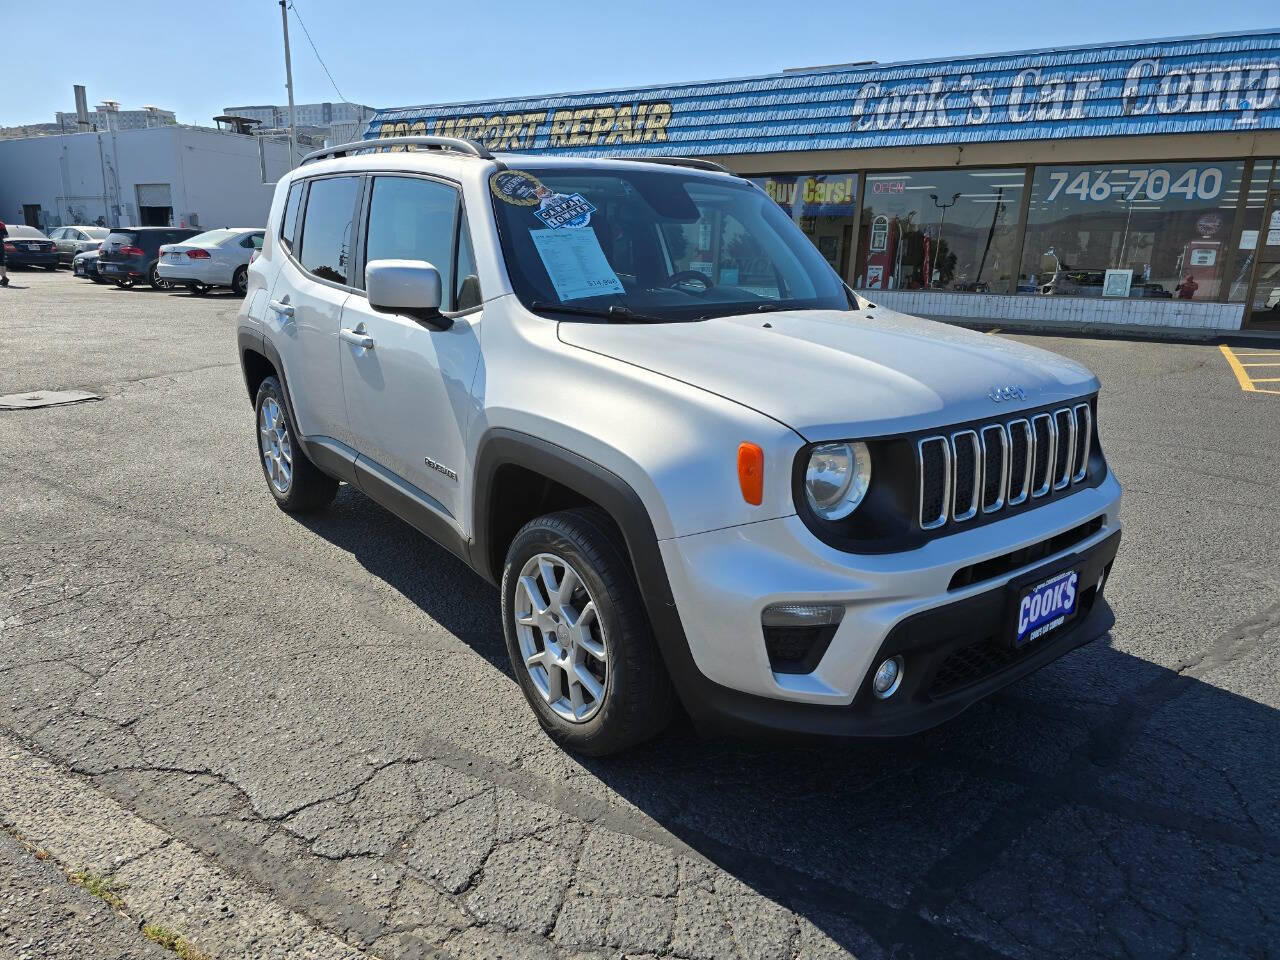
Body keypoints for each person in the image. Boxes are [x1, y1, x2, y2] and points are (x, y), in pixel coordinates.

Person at [0, 220, 9, 287]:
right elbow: (7, 235)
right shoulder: (1, 224)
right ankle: (4, 278)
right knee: (1, 262)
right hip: (1, 245)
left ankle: (4, 278)